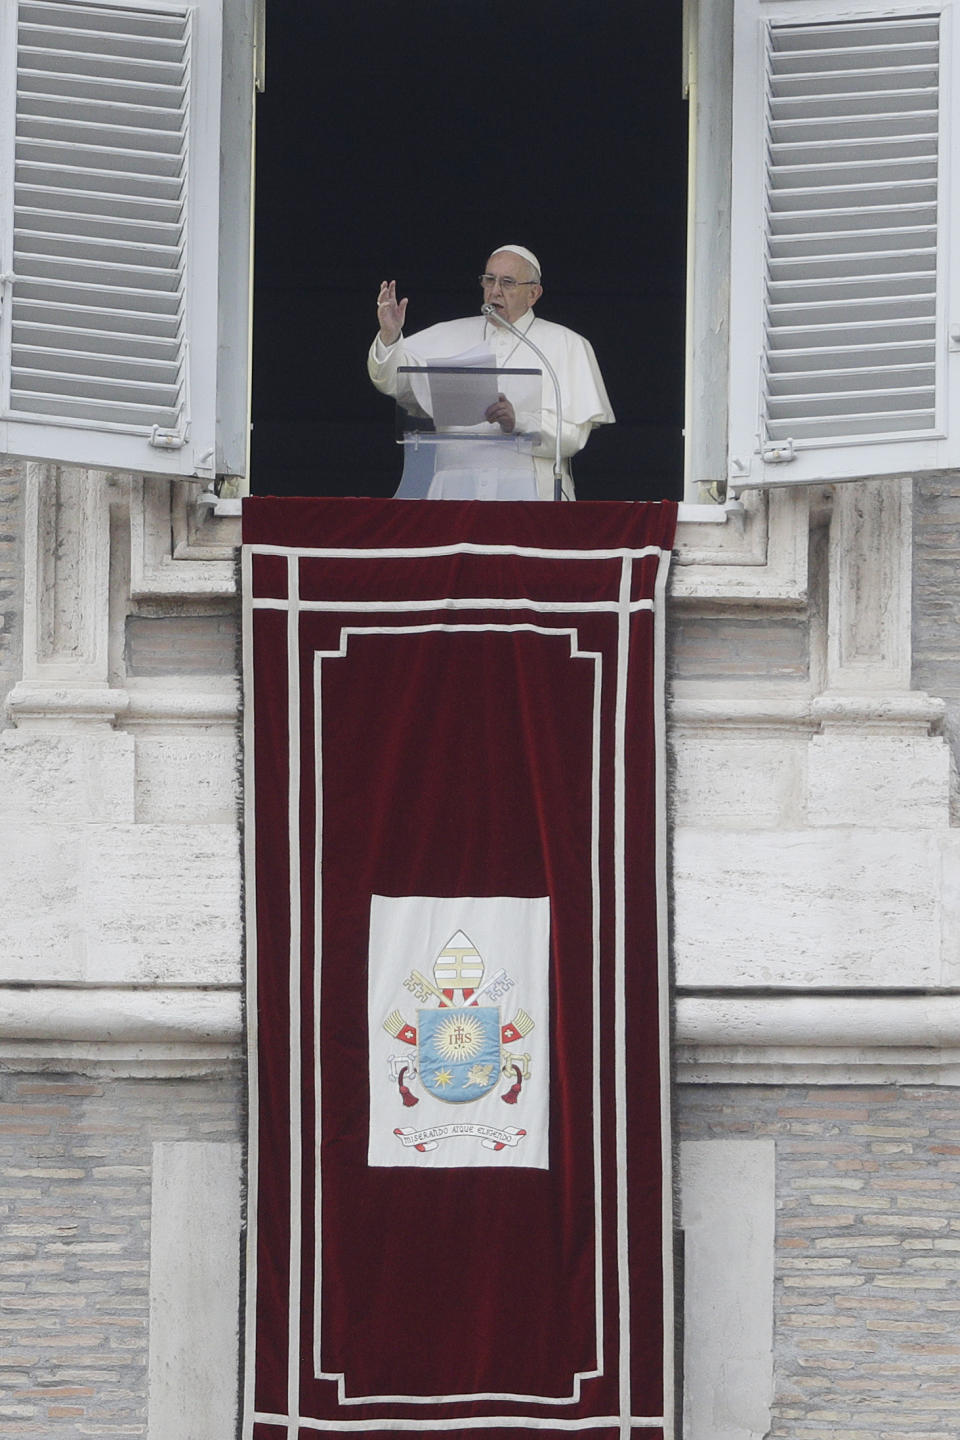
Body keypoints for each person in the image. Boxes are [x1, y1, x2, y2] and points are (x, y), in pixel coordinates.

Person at [368, 246, 614, 500]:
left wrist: (518, 421)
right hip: (453, 490)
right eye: (489, 280)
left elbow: (573, 437)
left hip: (528, 491)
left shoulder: (566, 343)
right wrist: (390, 336)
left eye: (507, 282)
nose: (495, 290)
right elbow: (394, 383)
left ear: (533, 293)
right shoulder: (447, 333)